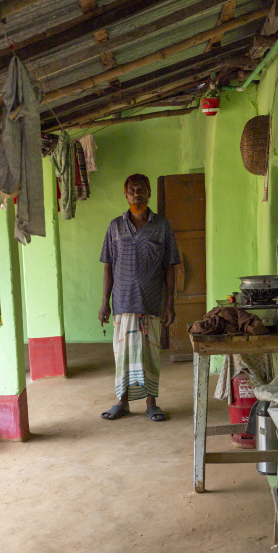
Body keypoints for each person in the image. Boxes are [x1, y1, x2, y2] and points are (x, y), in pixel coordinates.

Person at [98, 173, 181, 422]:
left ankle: (151, 403)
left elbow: (170, 267)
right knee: (123, 356)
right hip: (123, 303)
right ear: (126, 195)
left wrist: (170, 305)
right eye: (132, 190)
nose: (137, 193)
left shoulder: (162, 226)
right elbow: (108, 265)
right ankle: (122, 403)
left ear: (149, 193)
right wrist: (104, 303)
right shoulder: (115, 226)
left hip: (151, 303)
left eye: (141, 189)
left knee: (149, 356)